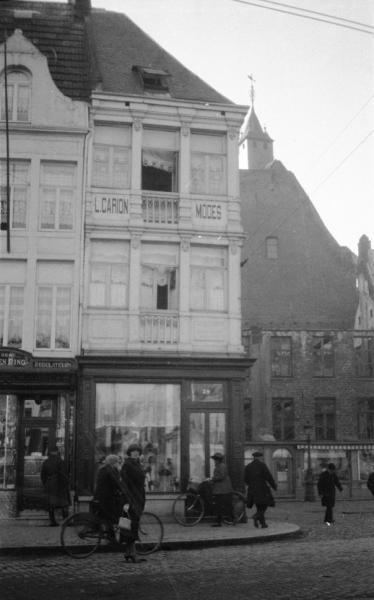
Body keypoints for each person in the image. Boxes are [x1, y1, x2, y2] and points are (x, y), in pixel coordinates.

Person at [120, 443, 146, 562]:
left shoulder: (136, 464)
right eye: (133, 451)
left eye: (138, 451)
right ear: (129, 453)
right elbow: (125, 483)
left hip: (137, 497)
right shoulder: (128, 464)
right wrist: (127, 500)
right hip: (131, 499)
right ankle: (133, 554)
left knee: (130, 526)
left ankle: (128, 553)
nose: (136, 453)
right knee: (131, 526)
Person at [92, 454, 124, 540]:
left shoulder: (104, 469)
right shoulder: (110, 471)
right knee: (114, 517)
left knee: (110, 517)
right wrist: (124, 491)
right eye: (118, 462)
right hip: (106, 498)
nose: (119, 463)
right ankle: (111, 537)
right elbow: (116, 483)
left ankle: (110, 536)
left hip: (101, 497)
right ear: (113, 462)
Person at [244, 451, 277, 529]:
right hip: (262, 489)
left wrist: (251, 484)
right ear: (259, 457)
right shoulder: (262, 465)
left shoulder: (248, 466)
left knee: (259, 506)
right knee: (265, 504)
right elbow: (268, 476)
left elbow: (245, 479)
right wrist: (274, 486)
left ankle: (263, 524)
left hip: (252, 490)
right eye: (261, 457)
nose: (262, 458)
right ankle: (256, 516)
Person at [40, 446, 71, 526]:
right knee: (64, 503)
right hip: (60, 484)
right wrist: (65, 484)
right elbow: (64, 474)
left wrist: (46, 483)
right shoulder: (61, 461)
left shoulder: (46, 462)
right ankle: (66, 520)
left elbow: (42, 475)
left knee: (51, 504)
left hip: (49, 484)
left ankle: (52, 521)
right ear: (57, 452)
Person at [210, 452, 233, 527]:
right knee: (219, 506)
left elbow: (222, 476)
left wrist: (213, 479)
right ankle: (219, 521)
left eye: (215, 459)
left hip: (223, 489)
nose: (214, 461)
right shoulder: (218, 466)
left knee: (221, 505)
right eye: (214, 459)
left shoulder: (221, 466)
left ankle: (230, 519)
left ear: (218, 460)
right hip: (219, 489)